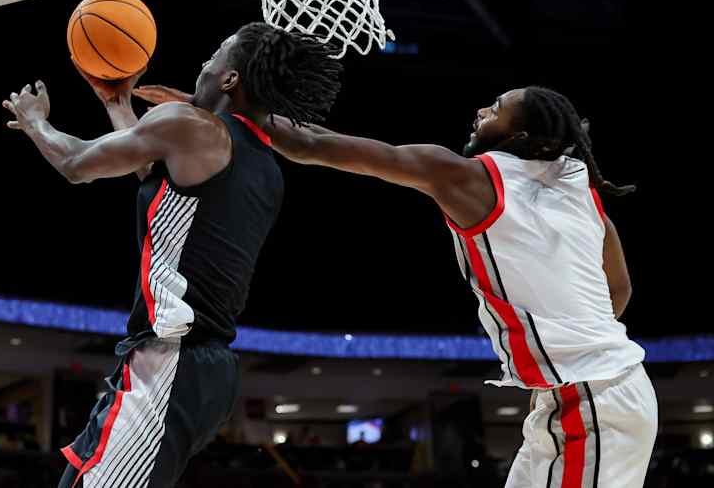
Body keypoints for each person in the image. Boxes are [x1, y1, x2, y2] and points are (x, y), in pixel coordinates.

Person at [134, 85, 656, 487]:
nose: (482, 111)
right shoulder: (579, 189)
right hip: (587, 395)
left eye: (496, 108)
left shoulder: (469, 177)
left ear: (519, 137)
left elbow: (314, 142)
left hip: (592, 401)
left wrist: (211, 114)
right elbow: (621, 290)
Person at [2, 21, 342, 488]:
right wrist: (118, 106)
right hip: (204, 370)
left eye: (217, 52)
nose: (206, 61)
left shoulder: (190, 126)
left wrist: (34, 120)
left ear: (231, 79)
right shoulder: (264, 168)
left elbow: (77, 163)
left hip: (170, 362)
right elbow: (155, 178)